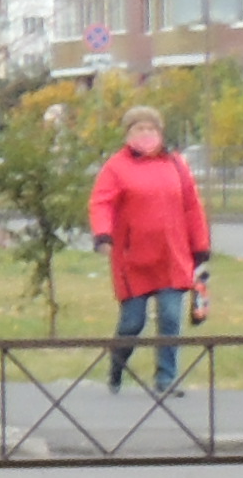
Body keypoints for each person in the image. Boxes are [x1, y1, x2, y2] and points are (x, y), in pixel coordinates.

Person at [89, 105, 211, 395]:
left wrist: (201, 247)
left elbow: (192, 207)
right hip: (133, 260)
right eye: (139, 129)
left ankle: (166, 379)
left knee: (170, 317)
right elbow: (101, 203)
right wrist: (103, 235)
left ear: (160, 133)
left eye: (151, 129)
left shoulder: (177, 164)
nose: (146, 134)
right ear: (128, 134)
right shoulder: (116, 167)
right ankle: (117, 366)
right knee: (132, 323)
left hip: (172, 257)